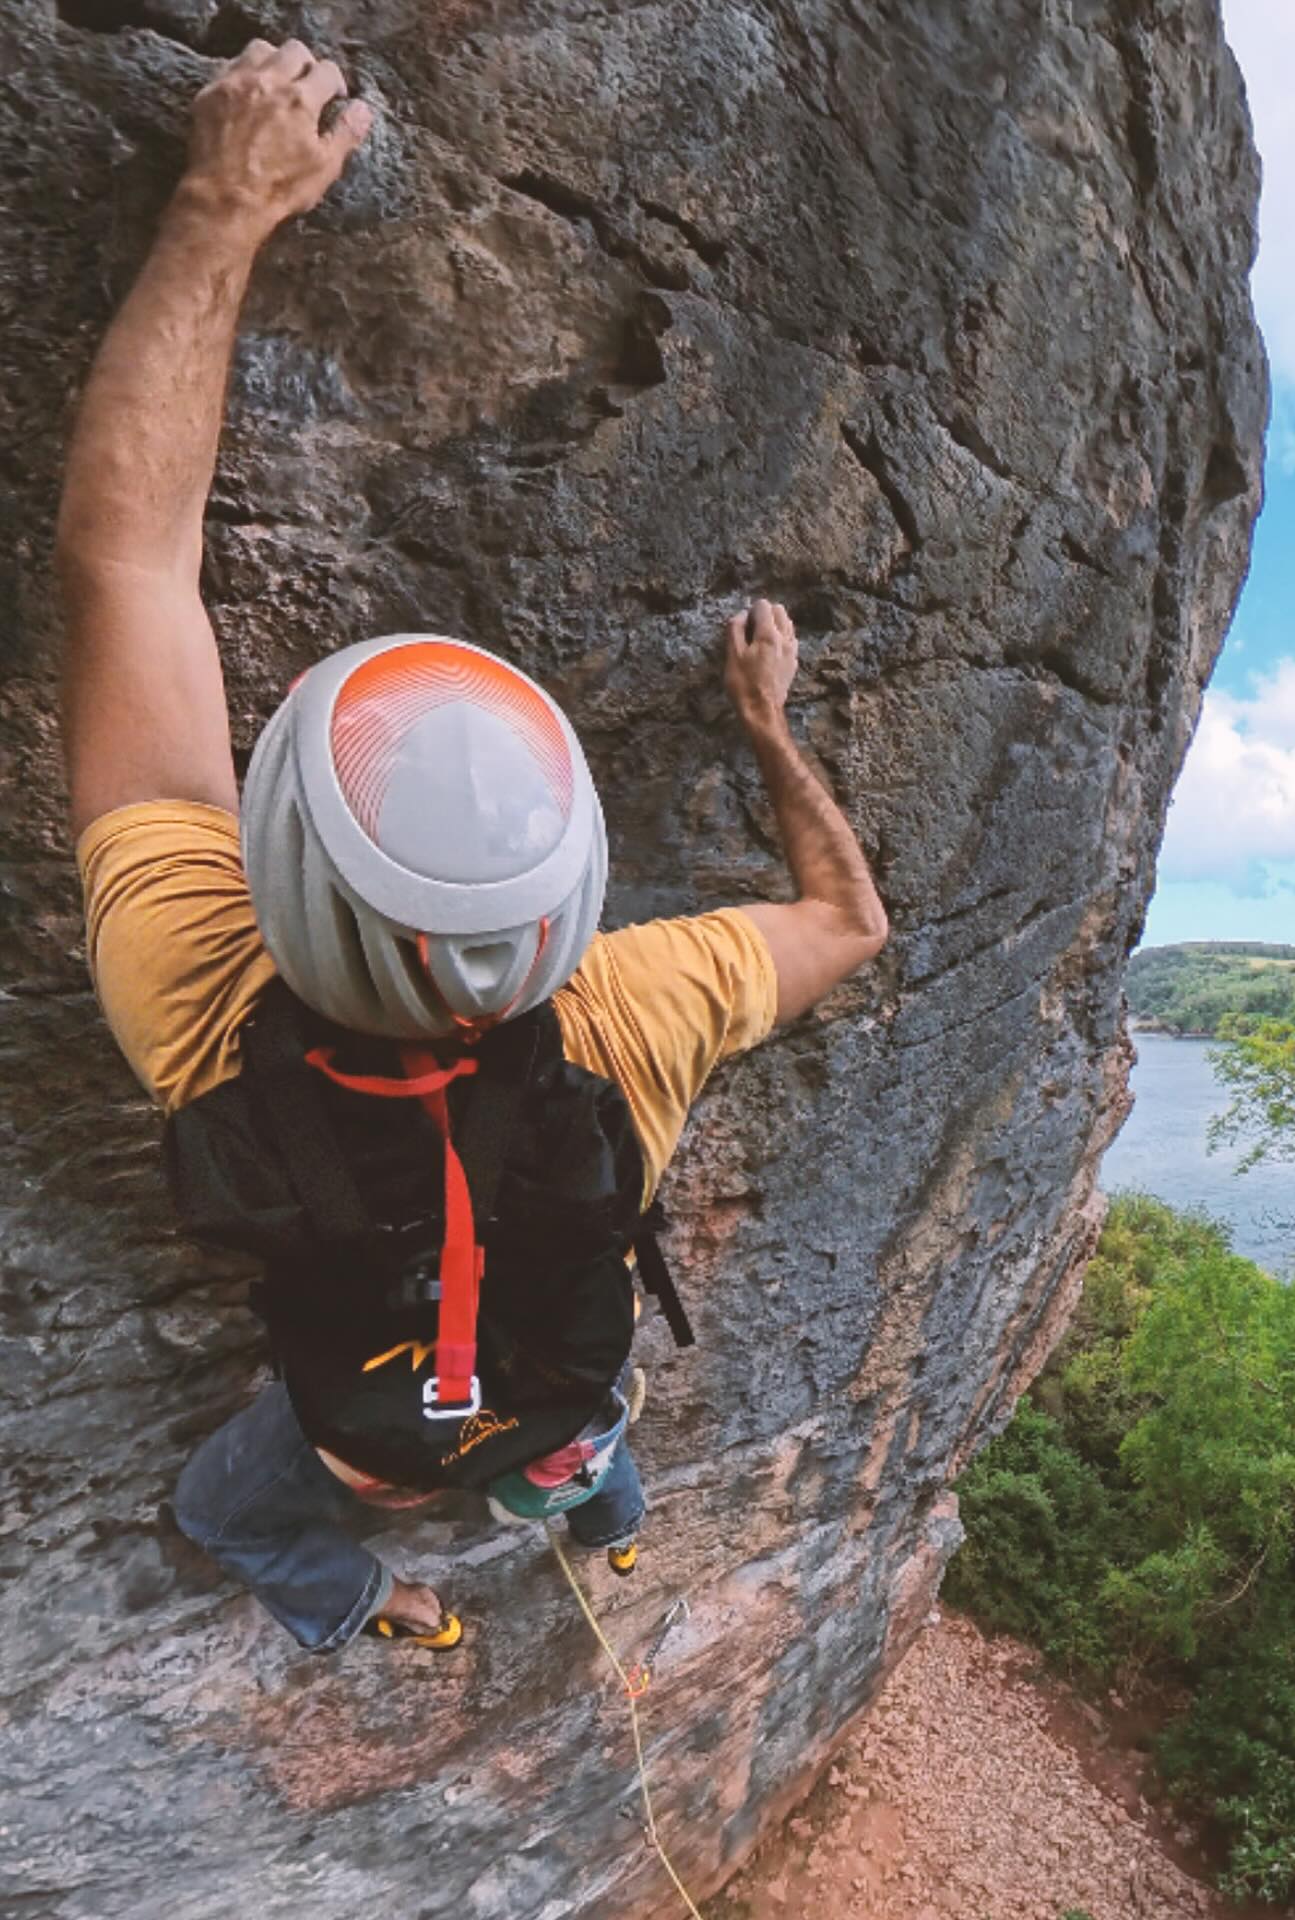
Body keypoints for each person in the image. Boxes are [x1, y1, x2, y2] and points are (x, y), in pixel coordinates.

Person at [57, 40, 888, 1654]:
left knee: (229, 1510)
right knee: (584, 1448)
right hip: (551, 1405)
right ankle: (608, 1523)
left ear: (274, 866)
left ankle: (375, 1601)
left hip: (367, 1448)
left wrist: (226, 210)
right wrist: (768, 724)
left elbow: (128, 573)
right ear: (575, 891)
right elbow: (844, 920)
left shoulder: (203, 991)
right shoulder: (635, 1017)